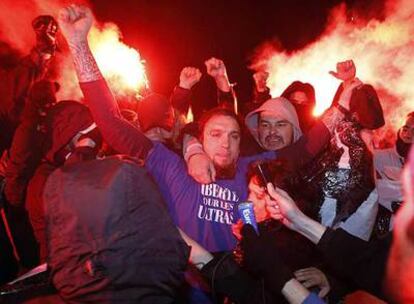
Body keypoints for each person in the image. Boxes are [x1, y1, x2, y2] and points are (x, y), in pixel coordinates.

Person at [57, 4, 348, 253]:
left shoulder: (253, 170)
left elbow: (305, 148)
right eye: (216, 134)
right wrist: (79, 45)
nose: (226, 143)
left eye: (234, 136)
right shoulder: (172, 167)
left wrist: (345, 99)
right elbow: (111, 123)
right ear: (200, 138)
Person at [374, 112, 414, 234]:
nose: (408, 133)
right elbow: (369, 189)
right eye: (406, 128)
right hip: (380, 232)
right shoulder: (378, 157)